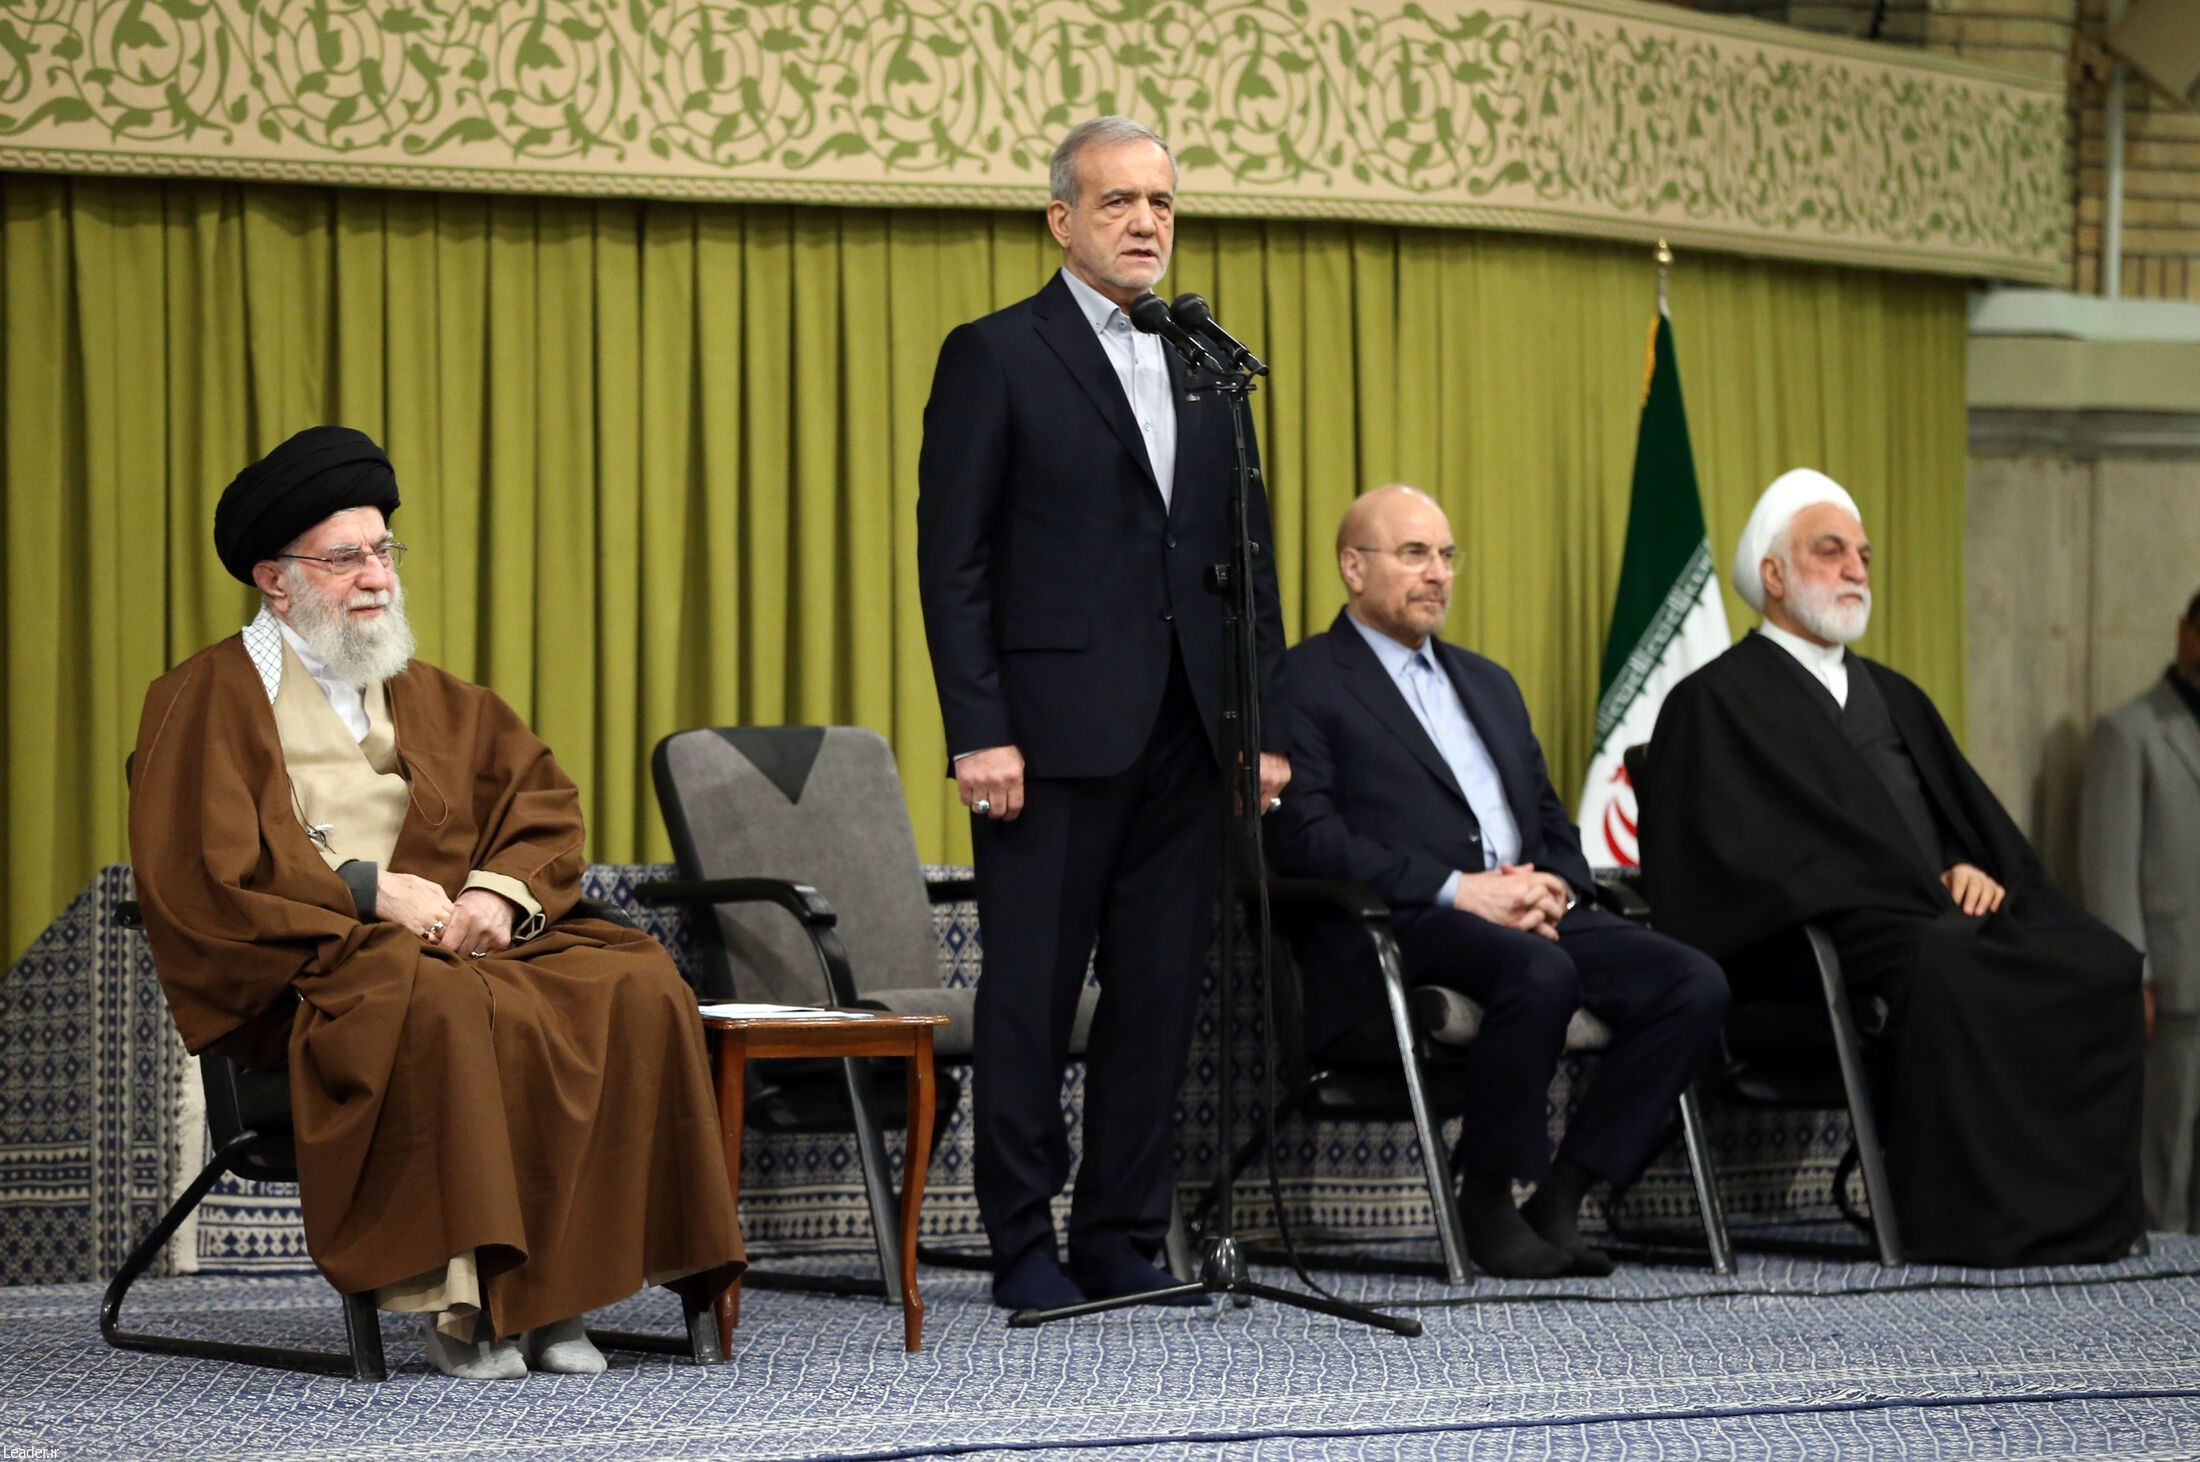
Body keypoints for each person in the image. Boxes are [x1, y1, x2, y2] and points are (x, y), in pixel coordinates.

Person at [129, 426, 744, 1379]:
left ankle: (560, 1296)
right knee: (444, 1001)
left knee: (629, 976)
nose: (375, 576)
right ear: (275, 578)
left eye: (383, 550)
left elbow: (540, 802)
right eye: (345, 558)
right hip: (317, 965)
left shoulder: (440, 697)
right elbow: (200, 874)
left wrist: (498, 896)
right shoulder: (202, 698)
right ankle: (468, 1305)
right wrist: (368, 893)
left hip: (462, 940)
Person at [916, 116, 1291, 1310]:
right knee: (1029, 993)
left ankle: (1120, 1234)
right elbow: (954, 560)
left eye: (1163, 205)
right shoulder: (995, 353)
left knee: (1158, 990)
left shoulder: (1205, 358)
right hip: (1047, 736)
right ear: (1061, 220)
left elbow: (1249, 554)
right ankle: (1023, 1243)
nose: (1146, 224)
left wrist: (1259, 725)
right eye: (1120, 202)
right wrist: (978, 726)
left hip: (1187, 734)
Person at [1639, 467, 2145, 1266]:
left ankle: (2081, 1222)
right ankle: (1970, 1223)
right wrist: (1906, 887)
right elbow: (1732, 860)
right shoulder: (1714, 702)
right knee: (1954, 967)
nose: (1856, 570)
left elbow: (1957, 820)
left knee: (2100, 962)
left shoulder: (1897, 696)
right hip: (1818, 943)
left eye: (1865, 555)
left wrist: (1967, 864)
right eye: (1831, 551)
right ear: (1773, 574)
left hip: (1936, 919)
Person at [1268, 486, 1729, 1277]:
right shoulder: (1303, 681)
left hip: (1522, 908)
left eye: (1447, 556)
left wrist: (1556, 884)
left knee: (1691, 982)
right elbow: (1306, 838)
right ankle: (1486, 1198)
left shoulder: (1489, 683)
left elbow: (1549, 817)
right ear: (1352, 566)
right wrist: (1459, 888)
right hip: (1403, 922)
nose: (1439, 574)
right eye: (1415, 554)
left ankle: (1563, 1193)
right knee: (1537, 969)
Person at [2081, 586, 2200, 1232]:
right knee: (2163, 1163)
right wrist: (2135, 973)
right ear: (2186, 632)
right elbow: (2108, 866)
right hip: (2174, 984)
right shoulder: (2129, 734)